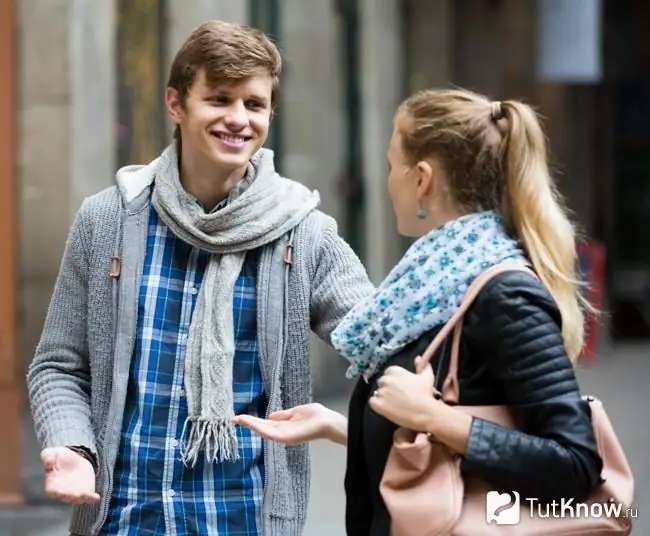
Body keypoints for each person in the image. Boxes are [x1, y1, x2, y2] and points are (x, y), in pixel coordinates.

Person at [26, 20, 374, 536]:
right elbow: (58, 365)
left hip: (242, 519)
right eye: (219, 99)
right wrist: (74, 445)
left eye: (254, 105)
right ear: (176, 104)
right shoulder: (107, 221)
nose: (238, 119)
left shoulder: (304, 234)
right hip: (122, 518)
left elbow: (387, 347)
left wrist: (350, 430)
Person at [234, 88, 604, 535]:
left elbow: (575, 464)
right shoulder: (431, 289)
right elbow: (439, 438)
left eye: (392, 165)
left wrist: (432, 417)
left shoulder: (503, 295)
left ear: (422, 179)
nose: (388, 180)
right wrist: (343, 426)